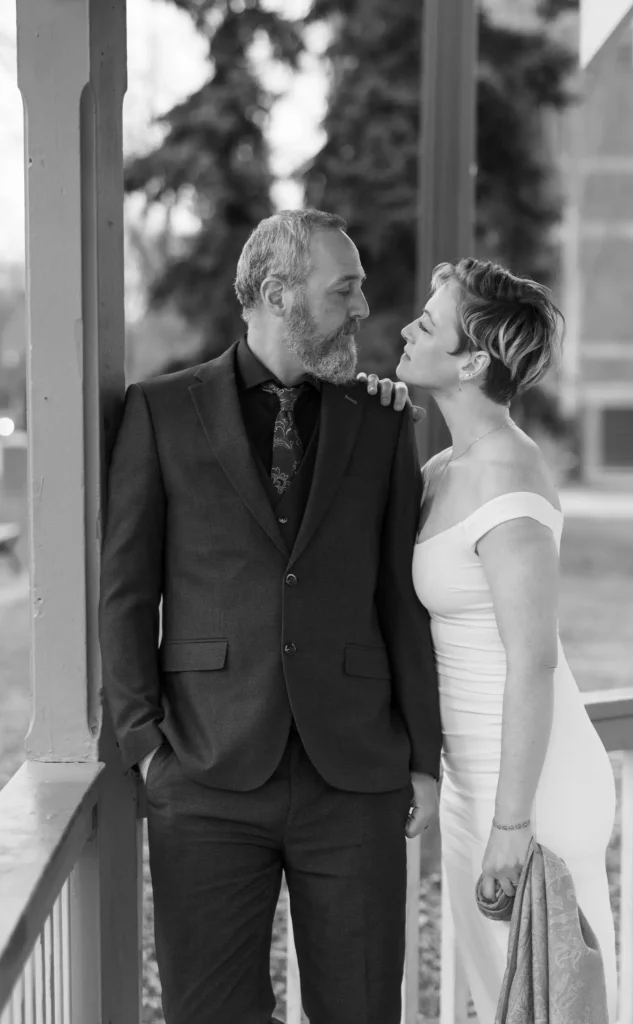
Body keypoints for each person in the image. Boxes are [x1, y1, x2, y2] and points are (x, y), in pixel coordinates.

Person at [98, 208, 442, 1024]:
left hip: (353, 776)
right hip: (205, 774)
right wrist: (146, 745)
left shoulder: (381, 418)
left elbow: (400, 596)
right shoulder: (161, 411)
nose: (362, 308)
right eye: (344, 289)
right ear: (279, 293)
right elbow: (124, 590)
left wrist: (421, 757)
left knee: (360, 1010)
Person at [364, 257, 617, 1021]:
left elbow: (533, 661)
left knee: (552, 1002)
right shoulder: (444, 467)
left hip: (531, 794)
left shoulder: (508, 477)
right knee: (503, 999)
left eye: (428, 323)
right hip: (477, 781)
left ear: (474, 359)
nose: (407, 328)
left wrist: (513, 826)